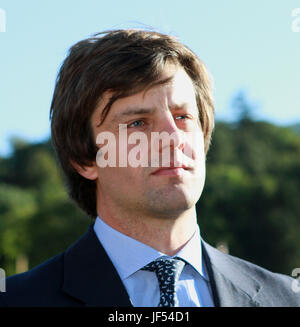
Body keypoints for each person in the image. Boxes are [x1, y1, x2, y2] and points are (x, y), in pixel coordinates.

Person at [0, 29, 299, 307]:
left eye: (183, 117)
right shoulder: (17, 300)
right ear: (85, 159)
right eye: (138, 123)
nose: (173, 138)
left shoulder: (286, 299)